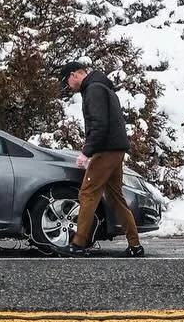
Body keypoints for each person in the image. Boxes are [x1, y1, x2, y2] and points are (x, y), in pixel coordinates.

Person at [58, 59, 143, 257]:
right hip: (115, 150)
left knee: (87, 193)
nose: (67, 86)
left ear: (74, 75)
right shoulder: (101, 86)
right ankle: (135, 245)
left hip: (106, 150)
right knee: (115, 197)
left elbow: (99, 124)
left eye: (66, 81)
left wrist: (86, 152)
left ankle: (78, 244)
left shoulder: (94, 89)